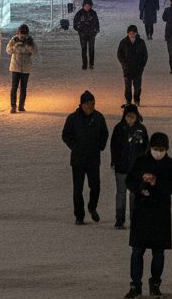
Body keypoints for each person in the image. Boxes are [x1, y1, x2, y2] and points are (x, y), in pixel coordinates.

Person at [125, 132, 172, 299]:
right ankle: (135, 285)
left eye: (162, 149)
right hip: (142, 210)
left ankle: (155, 284)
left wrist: (157, 183)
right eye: (156, 148)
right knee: (137, 251)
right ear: (150, 148)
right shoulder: (141, 162)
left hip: (160, 212)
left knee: (158, 252)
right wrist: (141, 186)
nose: (159, 152)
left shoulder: (171, 165)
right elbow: (129, 181)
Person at [61, 90, 109, 225]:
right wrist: (74, 147)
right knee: (78, 189)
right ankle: (79, 216)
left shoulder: (99, 117)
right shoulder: (73, 118)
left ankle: (92, 207)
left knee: (95, 186)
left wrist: (101, 145)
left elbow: (104, 133)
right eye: (87, 103)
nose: (90, 106)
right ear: (81, 104)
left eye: (92, 103)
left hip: (93, 158)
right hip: (78, 159)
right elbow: (65, 135)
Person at [111, 104, 149, 230]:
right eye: (128, 115)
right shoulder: (119, 128)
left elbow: (145, 148)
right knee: (121, 194)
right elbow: (114, 146)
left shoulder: (141, 129)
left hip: (136, 169)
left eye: (133, 115)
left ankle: (135, 219)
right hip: (121, 167)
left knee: (134, 194)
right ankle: (119, 220)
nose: (130, 118)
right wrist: (114, 160)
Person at [5, 24, 38, 113]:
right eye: (21, 34)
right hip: (15, 67)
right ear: (18, 33)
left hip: (26, 68)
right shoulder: (14, 39)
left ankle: (21, 105)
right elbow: (8, 51)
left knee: (23, 88)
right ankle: (13, 106)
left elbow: (35, 52)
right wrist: (15, 46)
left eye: (24, 34)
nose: (22, 36)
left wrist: (28, 46)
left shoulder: (30, 41)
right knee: (14, 87)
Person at [117, 25, 149, 106]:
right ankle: (128, 100)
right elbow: (119, 54)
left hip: (138, 68)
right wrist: (123, 63)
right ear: (128, 33)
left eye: (133, 33)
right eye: (130, 33)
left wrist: (142, 65)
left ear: (136, 33)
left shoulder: (141, 42)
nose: (131, 34)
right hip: (127, 68)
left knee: (137, 86)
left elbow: (145, 54)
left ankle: (137, 100)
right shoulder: (123, 42)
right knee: (127, 86)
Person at [73, 0, 101, 71]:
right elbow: (75, 24)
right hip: (83, 35)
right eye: (85, 6)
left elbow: (96, 24)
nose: (87, 7)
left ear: (91, 6)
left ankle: (91, 64)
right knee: (84, 49)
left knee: (91, 49)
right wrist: (80, 29)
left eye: (89, 6)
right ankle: (84, 64)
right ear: (83, 6)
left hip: (91, 35)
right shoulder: (79, 13)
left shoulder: (93, 13)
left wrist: (95, 31)